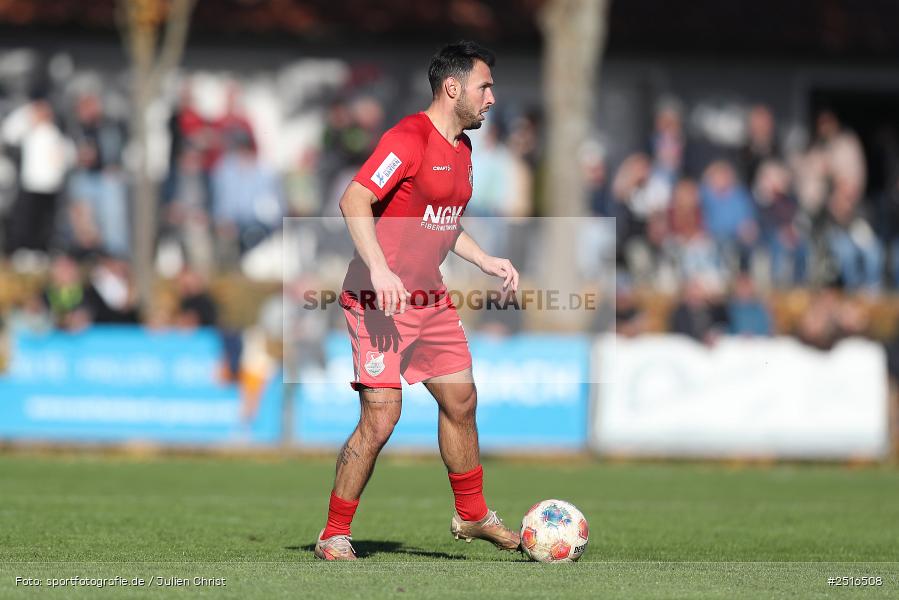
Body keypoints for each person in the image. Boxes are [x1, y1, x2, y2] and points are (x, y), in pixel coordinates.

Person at [313, 41, 520, 561]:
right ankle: (333, 533)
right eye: (484, 87)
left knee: (462, 401)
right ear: (453, 88)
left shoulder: (463, 150)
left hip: (429, 300)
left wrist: (484, 259)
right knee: (382, 417)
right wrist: (380, 270)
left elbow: (442, 223)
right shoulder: (407, 138)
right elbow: (353, 199)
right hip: (376, 299)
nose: (492, 98)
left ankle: (472, 514)